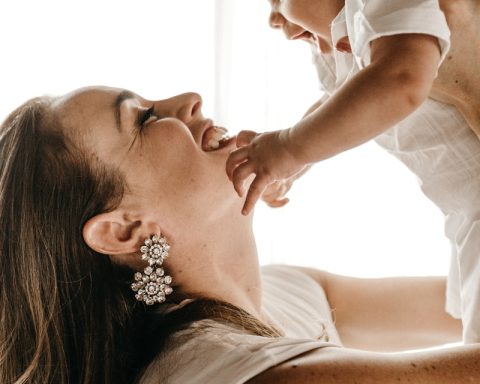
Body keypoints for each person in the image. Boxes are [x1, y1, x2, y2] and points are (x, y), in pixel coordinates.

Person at [1, 85, 479, 384]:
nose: (188, 98)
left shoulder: (286, 293)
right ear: (125, 229)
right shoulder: (221, 374)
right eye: (144, 118)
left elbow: (465, 300)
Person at [226, 0, 480, 343]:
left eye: (277, 0)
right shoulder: (349, 36)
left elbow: (401, 79)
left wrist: (289, 146)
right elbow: (342, 99)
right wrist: (296, 161)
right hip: (467, 215)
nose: (273, 19)